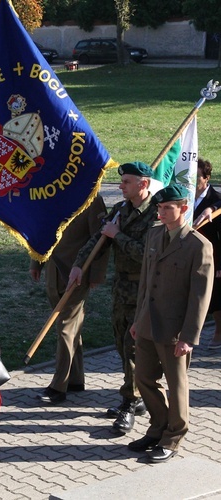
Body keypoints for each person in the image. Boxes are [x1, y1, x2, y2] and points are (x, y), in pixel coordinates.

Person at [68, 161, 160, 434]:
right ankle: (137, 393)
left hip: (143, 291)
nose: (121, 187)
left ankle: (129, 403)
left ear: (143, 184)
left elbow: (147, 255)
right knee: (121, 346)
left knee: (134, 348)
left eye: (127, 182)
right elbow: (98, 239)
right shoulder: (121, 210)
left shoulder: (155, 214)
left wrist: (117, 235)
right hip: (121, 290)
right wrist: (78, 264)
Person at [128, 184, 213, 463]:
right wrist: (138, 319)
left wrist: (189, 337)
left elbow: (200, 297)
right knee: (142, 378)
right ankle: (158, 427)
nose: (161, 212)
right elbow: (145, 284)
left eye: (167, 208)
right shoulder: (154, 234)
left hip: (175, 331)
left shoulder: (198, 246)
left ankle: (174, 436)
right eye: (159, 207)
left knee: (177, 386)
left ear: (183, 209)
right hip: (148, 324)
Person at [32, 196, 109, 404]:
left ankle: (58, 386)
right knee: (70, 326)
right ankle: (75, 379)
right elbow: (43, 228)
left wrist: (95, 275)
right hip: (53, 270)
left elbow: (101, 239)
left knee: (65, 328)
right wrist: (36, 261)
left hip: (78, 272)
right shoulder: (54, 192)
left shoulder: (92, 199)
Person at [191, 157, 221, 348]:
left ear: (207, 178)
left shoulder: (216, 200)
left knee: (216, 296)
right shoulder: (183, 196)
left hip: (213, 256)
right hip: (188, 255)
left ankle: (218, 332)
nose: (193, 181)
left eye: (197, 177)